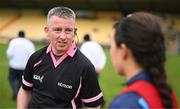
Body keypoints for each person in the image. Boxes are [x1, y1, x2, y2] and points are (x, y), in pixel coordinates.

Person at [17, 6, 104, 108]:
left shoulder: (85, 67)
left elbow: (92, 106)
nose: (63, 37)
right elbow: (25, 90)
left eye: (68, 30)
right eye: (57, 30)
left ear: (74, 32)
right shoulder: (35, 58)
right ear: (47, 31)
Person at [109, 12, 178, 108]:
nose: (111, 51)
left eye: (111, 46)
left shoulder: (126, 103)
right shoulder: (168, 94)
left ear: (124, 51)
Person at [6, 30, 35, 100]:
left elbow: (9, 53)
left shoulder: (13, 42)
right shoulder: (29, 43)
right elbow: (32, 55)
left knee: (11, 79)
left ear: (18, 35)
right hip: (24, 67)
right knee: (21, 81)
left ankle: (15, 91)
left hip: (14, 65)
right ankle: (18, 92)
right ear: (24, 35)